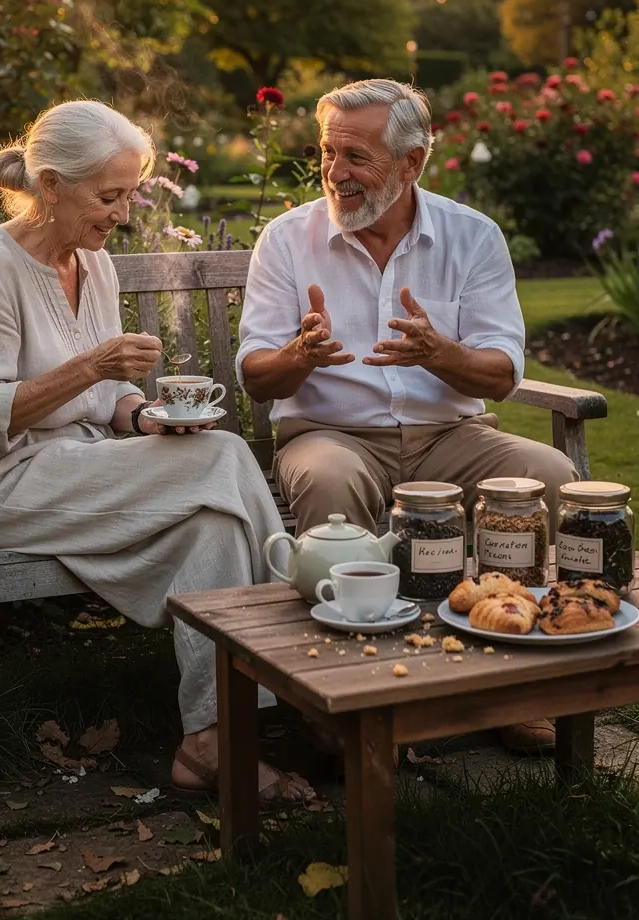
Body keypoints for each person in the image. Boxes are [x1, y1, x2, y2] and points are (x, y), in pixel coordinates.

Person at [0, 98, 313, 801]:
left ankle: (210, 742)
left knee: (213, 525)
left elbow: (108, 404)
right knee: (222, 458)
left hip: (74, 468)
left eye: (129, 194)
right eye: (109, 195)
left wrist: (146, 417)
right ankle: (304, 629)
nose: (123, 212)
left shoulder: (93, 263)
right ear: (50, 185)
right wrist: (93, 368)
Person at [236, 79, 576, 754]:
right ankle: (347, 707)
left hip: (453, 437)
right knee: (331, 481)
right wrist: (300, 355)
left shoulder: (471, 237)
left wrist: (440, 354)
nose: (337, 173)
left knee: (548, 474)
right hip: (332, 435)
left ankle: (509, 687)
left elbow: (502, 375)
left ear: (412, 163)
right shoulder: (285, 240)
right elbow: (254, 377)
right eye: (329, 153)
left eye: (356, 157)